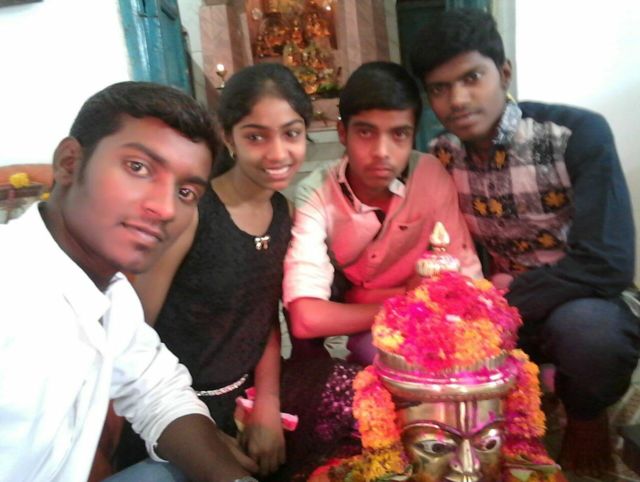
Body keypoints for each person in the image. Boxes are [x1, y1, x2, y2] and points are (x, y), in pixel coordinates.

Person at [410, 8, 640, 477]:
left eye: (472, 77)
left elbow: (608, 262)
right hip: (496, 306)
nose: (458, 99)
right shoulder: (440, 155)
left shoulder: (572, 135)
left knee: (590, 335)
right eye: (440, 88)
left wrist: (503, 300)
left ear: (505, 72)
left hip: (578, 300)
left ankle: (586, 416)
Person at [0, 81, 258, 482]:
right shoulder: (12, 289)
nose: (165, 208)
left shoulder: (111, 291)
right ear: (69, 163)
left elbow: (157, 390)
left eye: (186, 192)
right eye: (138, 168)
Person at [116, 63, 360, 481]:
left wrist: (266, 407)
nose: (277, 153)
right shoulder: (193, 212)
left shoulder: (283, 213)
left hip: (246, 400)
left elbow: (264, 317)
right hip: (170, 408)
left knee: (355, 400)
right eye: (255, 137)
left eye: (291, 133)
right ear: (228, 137)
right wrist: (194, 430)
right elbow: (133, 333)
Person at [283, 61, 482, 365]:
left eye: (399, 134)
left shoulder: (429, 174)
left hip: (418, 319)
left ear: (413, 135)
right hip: (374, 321)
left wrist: (368, 299)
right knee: (386, 359)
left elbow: (465, 277)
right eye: (366, 132)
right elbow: (306, 319)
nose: (382, 152)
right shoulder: (316, 193)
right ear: (342, 132)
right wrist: (405, 299)